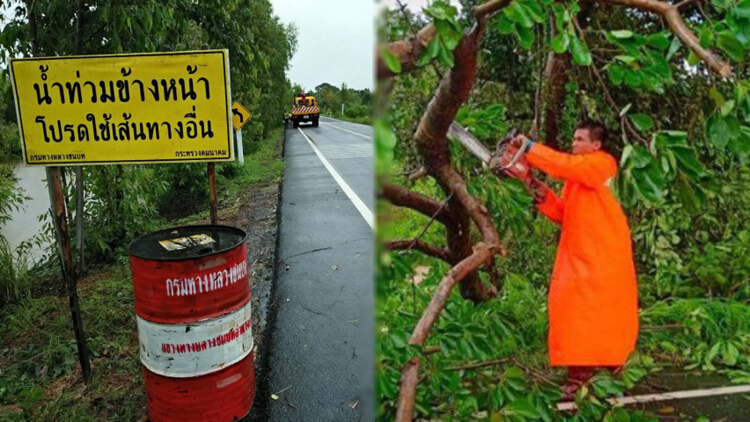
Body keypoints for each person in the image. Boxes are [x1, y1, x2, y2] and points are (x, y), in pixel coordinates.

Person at [509, 122, 639, 398]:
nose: (574, 143)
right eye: (573, 139)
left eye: (580, 140)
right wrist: (531, 182)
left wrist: (529, 149)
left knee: (606, 314)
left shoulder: (603, 164)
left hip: (605, 256)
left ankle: (611, 369)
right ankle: (581, 375)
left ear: (596, 145)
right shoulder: (577, 176)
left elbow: (564, 164)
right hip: (579, 256)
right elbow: (561, 212)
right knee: (573, 313)